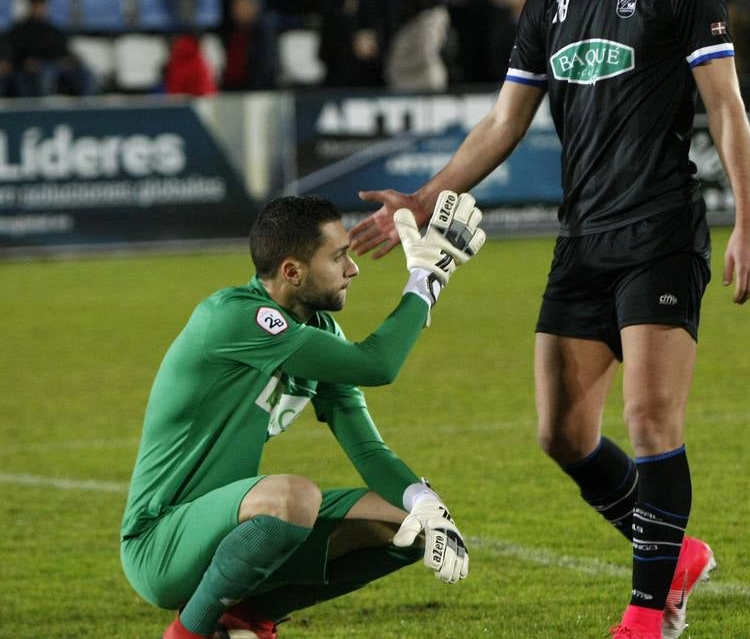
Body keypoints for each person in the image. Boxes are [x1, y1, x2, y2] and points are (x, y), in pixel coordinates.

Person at [348, 0, 750, 639]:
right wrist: (424, 198)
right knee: (562, 433)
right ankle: (675, 555)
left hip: (659, 229)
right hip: (582, 239)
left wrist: (749, 220)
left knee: (650, 419)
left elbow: (726, 110)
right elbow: (503, 125)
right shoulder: (550, 2)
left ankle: (650, 611)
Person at [121, 192, 487, 639]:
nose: (353, 269)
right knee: (295, 497)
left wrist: (425, 504)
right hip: (161, 543)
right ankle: (189, 632)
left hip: (234, 530)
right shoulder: (236, 317)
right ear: (292, 271)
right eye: (339, 258)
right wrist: (425, 282)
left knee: (409, 525)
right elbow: (377, 366)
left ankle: (249, 618)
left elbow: (367, 447)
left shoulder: (318, 330)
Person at [10, 0, 92, 96]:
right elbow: (15, 53)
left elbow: (63, 50)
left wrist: (67, 60)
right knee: (47, 73)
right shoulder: (20, 30)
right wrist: (24, 62)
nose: (40, 9)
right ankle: (45, 109)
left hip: (56, 65)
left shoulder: (53, 29)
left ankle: (84, 105)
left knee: (85, 73)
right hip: (37, 69)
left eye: (42, 5)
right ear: (31, 6)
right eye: (37, 5)